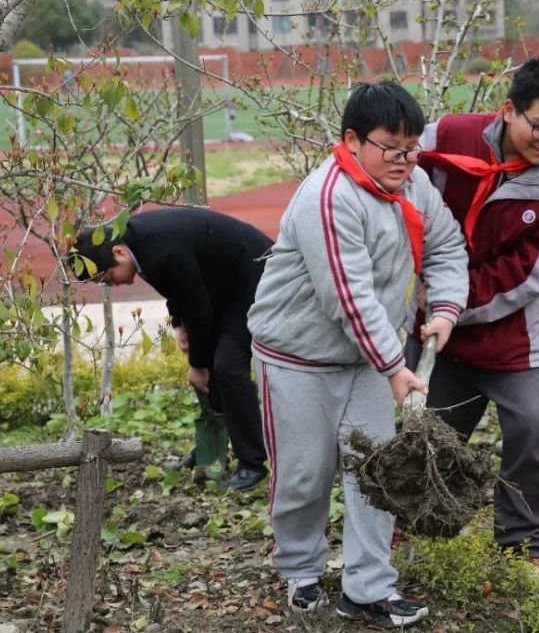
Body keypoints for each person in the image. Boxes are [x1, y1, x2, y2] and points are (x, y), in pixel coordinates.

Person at [247, 81, 468, 627]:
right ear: (352, 139)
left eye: (412, 147)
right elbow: (349, 296)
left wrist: (444, 308)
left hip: (368, 358)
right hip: (297, 358)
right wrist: (395, 366)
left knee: (376, 471)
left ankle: (368, 588)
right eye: (391, 147)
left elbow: (445, 245)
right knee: (304, 472)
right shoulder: (331, 196)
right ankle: (300, 568)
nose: (405, 160)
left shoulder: (414, 188)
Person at [412, 57, 539, 564]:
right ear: (509, 111)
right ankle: (422, 531)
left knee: (533, 433)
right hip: (437, 327)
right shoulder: (445, 135)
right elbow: (395, 174)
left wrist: (448, 301)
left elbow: (528, 275)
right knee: (431, 433)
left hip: (516, 334)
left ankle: (524, 542)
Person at [73, 208, 273, 491]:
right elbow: (178, 286)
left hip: (256, 277)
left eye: (107, 278)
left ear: (118, 252)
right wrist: (180, 325)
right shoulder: (138, 242)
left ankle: (252, 464)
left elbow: (199, 310)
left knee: (227, 365)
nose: (112, 284)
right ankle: (211, 450)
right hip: (221, 283)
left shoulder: (158, 248)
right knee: (210, 360)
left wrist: (198, 365)